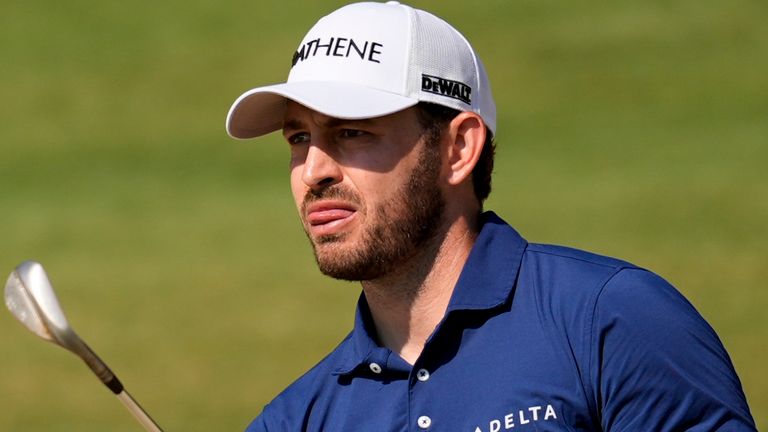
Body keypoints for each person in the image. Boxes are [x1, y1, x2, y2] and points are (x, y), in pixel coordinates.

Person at [225, 2, 756, 431]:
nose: (313, 170)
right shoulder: (294, 420)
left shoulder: (610, 321)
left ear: (458, 148)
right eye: (299, 138)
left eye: (352, 132)